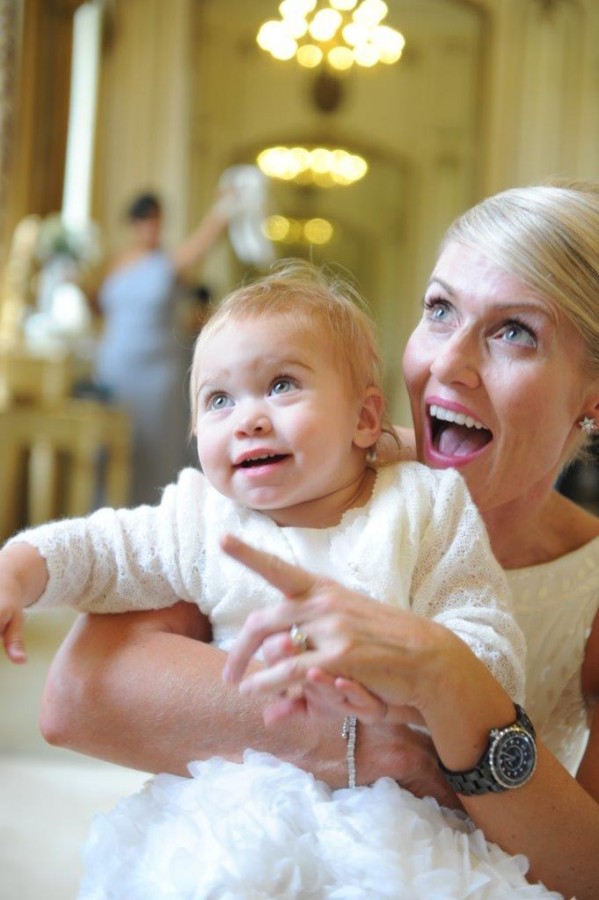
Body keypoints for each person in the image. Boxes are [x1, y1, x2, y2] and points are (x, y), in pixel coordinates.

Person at [37, 182, 599, 898]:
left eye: (513, 331)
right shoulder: (299, 484)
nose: (445, 365)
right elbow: (78, 694)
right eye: (438, 310)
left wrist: (450, 680)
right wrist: (383, 745)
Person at [94, 190, 230, 506]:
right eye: (144, 220)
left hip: (157, 374)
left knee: (156, 450)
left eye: (156, 220)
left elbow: (206, 239)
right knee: (112, 450)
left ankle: (153, 522)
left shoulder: (171, 262)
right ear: (132, 224)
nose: (151, 227)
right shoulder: (117, 263)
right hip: (115, 369)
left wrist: (223, 206)